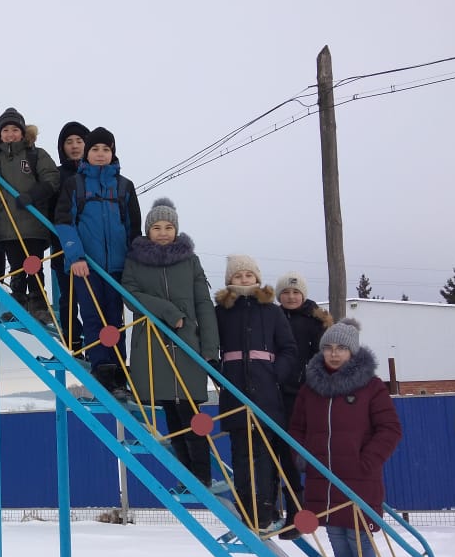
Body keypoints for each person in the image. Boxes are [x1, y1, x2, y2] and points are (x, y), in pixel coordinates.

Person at [289, 317, 402, 557]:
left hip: (358, 478)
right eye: (329, 348)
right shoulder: (311, 389)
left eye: (341, 348)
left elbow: (390, 429)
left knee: (358, 537)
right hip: (322, 478)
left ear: (353, 352)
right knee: (336, 535)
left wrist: (365, 462)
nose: (334, 353)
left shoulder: (371, 387)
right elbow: (297, 427)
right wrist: (302, 457)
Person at [122, 198, 220, 489]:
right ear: (147, 230)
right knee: (172, 414)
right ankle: (187, 475)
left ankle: (200, 475)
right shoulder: (135, 261)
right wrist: (168, 311)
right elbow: (129, 295)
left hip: (188, 345)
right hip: (152, 346)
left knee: (191, 412)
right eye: (156, 227)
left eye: (168, 227)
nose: (163, 232)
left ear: (176, 230)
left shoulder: (190, 261)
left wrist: (210, 350)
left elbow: (204, 304)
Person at [55, 127, 141, 399]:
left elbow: (133, 228)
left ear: (113, 153)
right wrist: (75, 256)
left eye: (106, 149)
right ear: (87, 153)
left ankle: (118, 373)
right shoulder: (75, 184)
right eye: (95, 149)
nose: (101, 154)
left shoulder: (124, 186)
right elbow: (64, 222)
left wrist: (134, 263)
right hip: (86, 267)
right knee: (93, 316)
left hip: (117, 267)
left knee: (115, 318)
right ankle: (101, 368)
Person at [213, 255, 297, 531]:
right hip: (234, 393)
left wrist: (275, 375)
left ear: (257, 278)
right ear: (229, 279)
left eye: (249, 274)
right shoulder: (220, 312)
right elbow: (211, 347)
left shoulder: (271, 311)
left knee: (264, 453)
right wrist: (221, 375)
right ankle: (245, 506)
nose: (244, 279)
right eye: (238, 275)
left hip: (266, 396)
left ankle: (265, 507)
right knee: (241, 453)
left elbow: (288, 348)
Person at [0, 107, 59, 323]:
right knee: (16, 268)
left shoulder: (35, 154)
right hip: (7, 225)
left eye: (15, 130)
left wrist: (32, 196)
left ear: (23, 133)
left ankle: (39, 305)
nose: (10, 134)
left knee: (33, 265)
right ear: (0, 134)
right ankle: (18, 305)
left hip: (32, 223)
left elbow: (52, 178)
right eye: (6, 130)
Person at [273, 271, 332, 537]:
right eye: (285, 292)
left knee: (303, 454)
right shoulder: (273, 318)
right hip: (275, 394)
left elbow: (327, 359)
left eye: (295, 292)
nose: (291, 297)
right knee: (277, 453)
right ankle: (285, 510)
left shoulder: (315, 322)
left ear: (303, 295)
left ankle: (309, 510)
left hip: (305, 396)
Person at [51, 122, 90, 353]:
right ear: (62, 147)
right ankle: (73, 341)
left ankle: (94, 345)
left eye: (79, 141)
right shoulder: (57, 175)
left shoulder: (93, 174)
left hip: (92, 249)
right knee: (68, 297)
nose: (74, 146)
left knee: (92, 299)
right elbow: (51, 209)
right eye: (69, 142)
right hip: (62, 247)